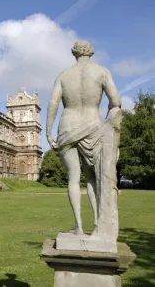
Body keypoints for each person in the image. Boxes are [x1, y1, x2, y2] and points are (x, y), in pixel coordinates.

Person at [46, 40, 121, 235]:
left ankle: (79, 227)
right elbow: (116, 101)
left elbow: (53, 103)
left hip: (68, 125)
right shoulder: (101, 71)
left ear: (74, 54)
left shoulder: (63, 75)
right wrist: (109, 124)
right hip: (93, 125)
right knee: (92, 178)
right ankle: (98, 224)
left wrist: (48, 130)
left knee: (73, 177)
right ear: (91, 53)